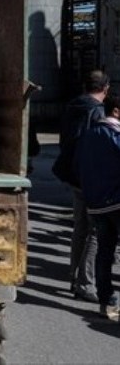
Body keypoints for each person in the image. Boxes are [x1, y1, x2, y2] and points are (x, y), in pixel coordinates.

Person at [53, 69, 109, 302]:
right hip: (93, 177)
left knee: (80, 229)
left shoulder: (72, 106)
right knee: (96, 232)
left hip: (74, 175)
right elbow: (98, 146)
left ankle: (74, 276)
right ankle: (85, 283)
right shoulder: (97, 111)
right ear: (105, 89)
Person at [74, 92, 120, 320]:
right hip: (117, 201)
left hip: (96, 203)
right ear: (116, 111)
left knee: (105, 252)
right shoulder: (115, 135)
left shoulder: (89, 135)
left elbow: (79, 167)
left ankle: (106, 300)